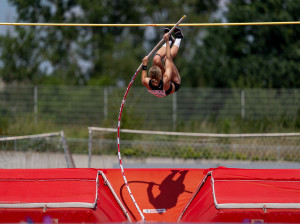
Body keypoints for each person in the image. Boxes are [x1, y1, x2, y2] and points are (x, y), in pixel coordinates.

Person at [141, 28, 184, 97]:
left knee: (156, 59)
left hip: (162, 85)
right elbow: (169, 57)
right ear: (161, 75)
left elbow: (143, 78)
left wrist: (144, 64)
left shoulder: (146, 81)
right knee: (166, 59)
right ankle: (179, 38)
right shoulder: (166, 78)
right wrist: (166, 42)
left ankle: (170, 40)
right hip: (174, 83)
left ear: (150, 77)